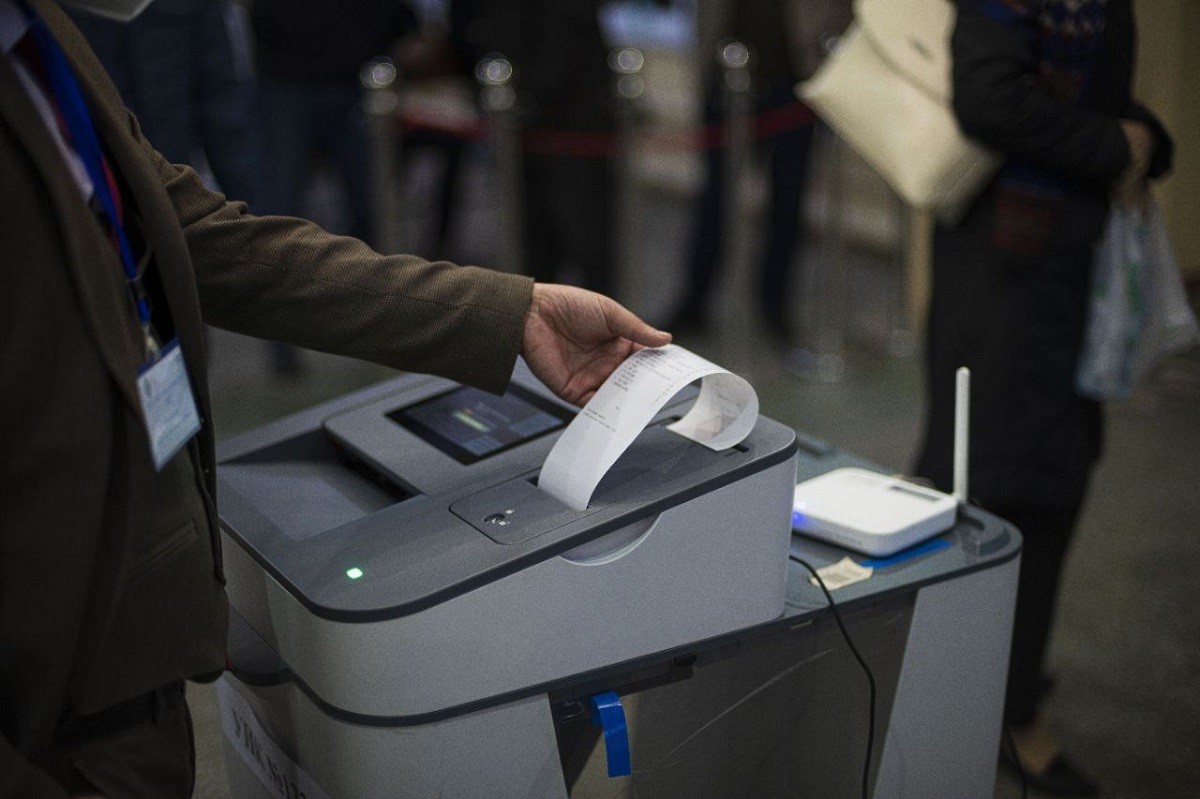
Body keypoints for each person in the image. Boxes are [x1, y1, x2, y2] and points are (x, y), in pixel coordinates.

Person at [0, 2, 671, 797]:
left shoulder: (40, 37)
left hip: (131, 670)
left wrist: (509, 314)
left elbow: (203, 237)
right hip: (43, 703)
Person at [912, 1, 1172, 795]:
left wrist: (1147, 140)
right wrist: (1117, 146)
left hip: (1049, 269)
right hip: (1010, 279)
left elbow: (1093, 86)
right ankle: (1002, 707)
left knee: (1032, 474)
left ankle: (995, 668)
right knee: (1008, 483)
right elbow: (990, 97)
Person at [664, 0, 850, 344]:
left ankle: (774, 306)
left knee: (788, 199)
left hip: (795, 78)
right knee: (715, 197)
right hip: (726, 74)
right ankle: (695, 299)